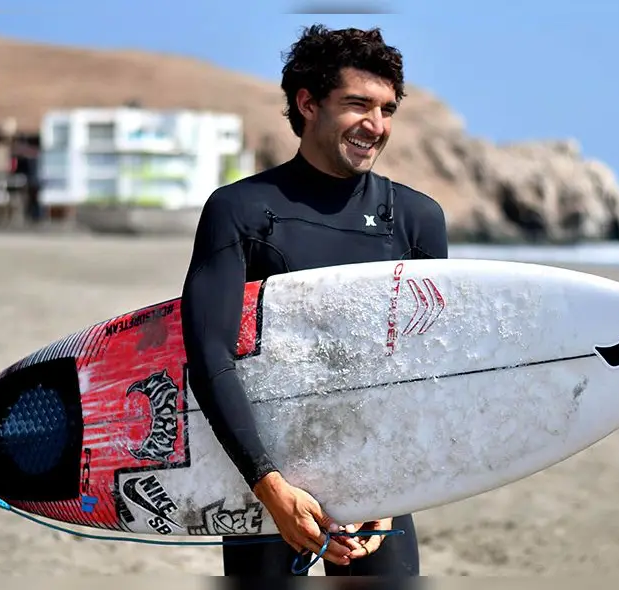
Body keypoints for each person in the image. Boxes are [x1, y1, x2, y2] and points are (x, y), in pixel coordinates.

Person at [180, 24, 449, 577]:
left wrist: (389, 488)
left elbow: (425, 370)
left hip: (377, 481)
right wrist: (270, 485)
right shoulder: (240, 211)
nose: (376, 125)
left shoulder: (417, 220)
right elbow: (210, 357)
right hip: (263, 481)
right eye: (357, 105)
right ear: (307, 104)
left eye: (387, 109)